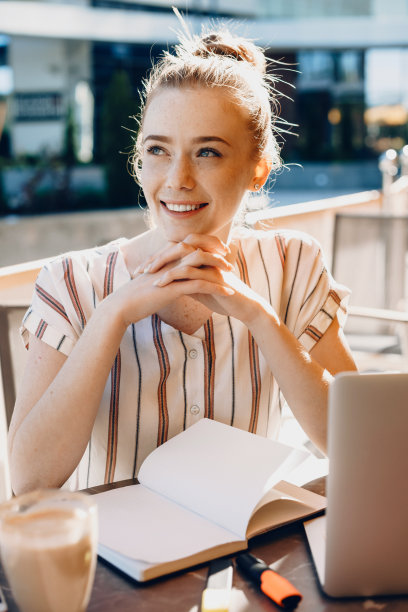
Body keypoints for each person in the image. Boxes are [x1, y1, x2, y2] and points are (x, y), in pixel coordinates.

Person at [8, 27, 356, 494]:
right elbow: (28, 480)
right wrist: (113, 315)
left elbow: (358, 441)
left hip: (244, 554)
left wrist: (259, 315)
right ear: (139, 162)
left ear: (258, 169)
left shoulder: (293, 264)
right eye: (158, 150)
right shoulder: (71, 281)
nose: (178, 179)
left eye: (207, 152)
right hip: (114, 562)